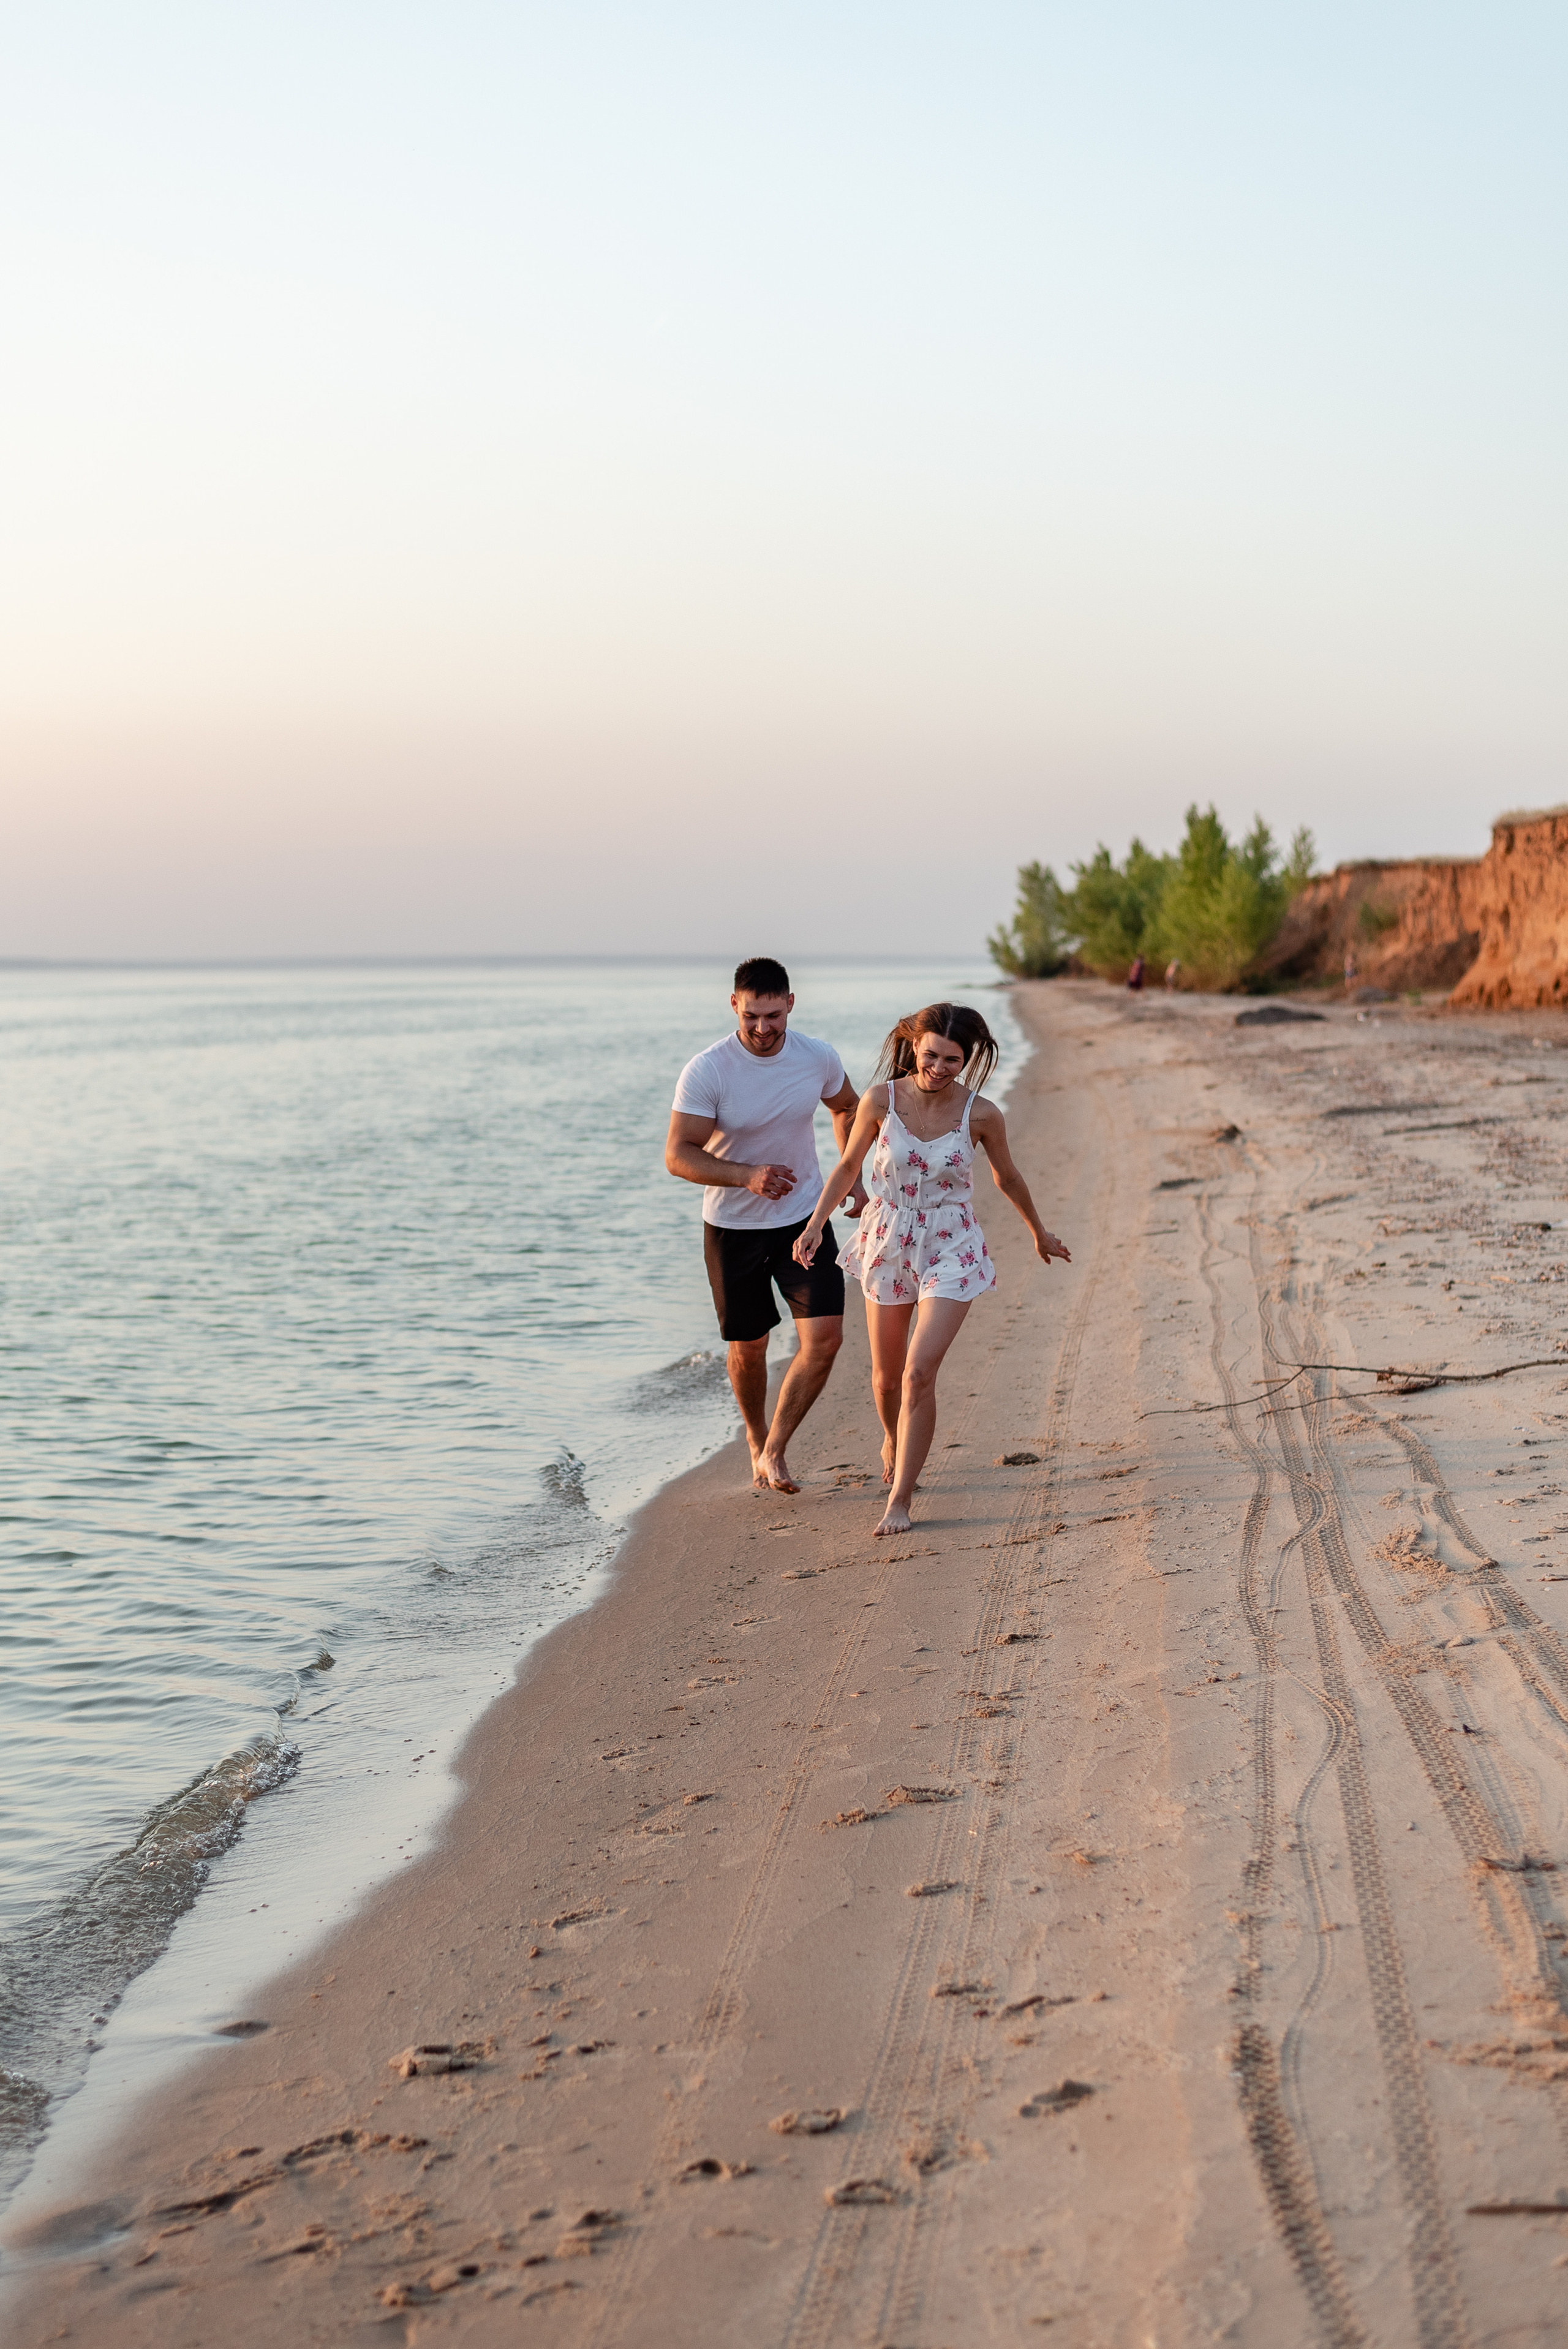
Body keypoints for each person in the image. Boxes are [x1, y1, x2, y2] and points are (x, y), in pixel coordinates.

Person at [792, 1003, 1070, 1538]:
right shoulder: (881, 1099)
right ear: (913, 1047)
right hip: (888, 1236)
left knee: (919, 1372)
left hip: (952, 1243)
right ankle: (894, 1438)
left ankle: (899, 1499)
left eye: (952, 1059)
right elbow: (849, 1166)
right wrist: (813, 1225)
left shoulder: (982, 1114)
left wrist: (1039, 1231)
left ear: (968, 1059)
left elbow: (1006, 1177)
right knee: (885, 1377)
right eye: (931, 1056)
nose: (939, 1067)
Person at [666, 957, 867, 1493]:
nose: (762, 1027)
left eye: (773, 1015)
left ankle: (776, 1447)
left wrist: (850, 1174)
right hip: (732, 1228)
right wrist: (746, 1175)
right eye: (752, 1015)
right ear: (735, 1005)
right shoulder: (709, 1070)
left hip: (804, 1217)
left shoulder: (816, 1056)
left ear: (791, 1005)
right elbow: (678, 1155)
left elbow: (846, 1107)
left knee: (825, 1340)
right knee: (749, 1347)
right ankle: (755, 1439)